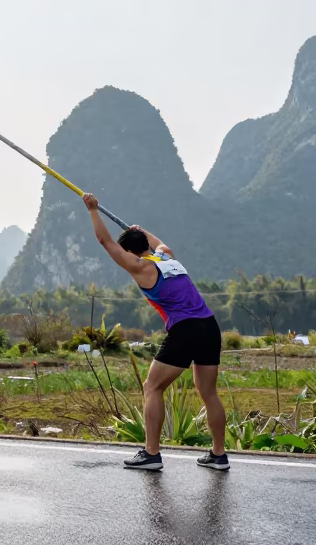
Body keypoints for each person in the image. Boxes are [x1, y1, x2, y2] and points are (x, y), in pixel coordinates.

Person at [81, 193, 229, 472]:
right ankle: (219, 456)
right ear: (146, 244)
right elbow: (161, 244)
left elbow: (105, 241)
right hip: (209, 326)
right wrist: (140, 230)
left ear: (130, 252)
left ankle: (151, 454)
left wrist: (92, 210)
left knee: (152, 387)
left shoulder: (141, 267)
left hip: (185, 329)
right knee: (209, 393)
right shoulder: (167, 258)